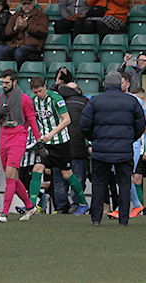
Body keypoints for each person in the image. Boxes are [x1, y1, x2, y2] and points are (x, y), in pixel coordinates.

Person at [80, 70, 145, 226]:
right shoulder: (132, 101)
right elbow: (141, 124)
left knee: (99, 183)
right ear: (120, 84)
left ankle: (96, 219)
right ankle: (123, 220)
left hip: (101, 149)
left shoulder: (96, 101)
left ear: (106, 84)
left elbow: (84, 124)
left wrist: (94, 139)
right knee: (124, 184)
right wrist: (129, 139)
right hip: (124, 149)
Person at [29, 77, 90, 215]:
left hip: (61, 142)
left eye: (40, 91)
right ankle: (31, 206)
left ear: (45, 87)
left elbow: (67, 119)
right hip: (46, 143)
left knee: (67, 174)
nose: (38, 94)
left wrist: (52, 133)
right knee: (37, 169)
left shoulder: (56, 98)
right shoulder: (34, 101)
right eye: (35, 92)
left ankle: (83, 202)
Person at [0, 70, 42, 222]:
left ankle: (4, 212)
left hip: (18, 136)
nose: (4, 85)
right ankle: (30, 206)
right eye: (3, 83)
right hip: (4, 136)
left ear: (15, 82)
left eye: (7, 82)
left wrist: (39, 142)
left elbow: (32, 120)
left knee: (10, 175)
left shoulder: (25, 100)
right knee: (12, 176)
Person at [50, 68, 90, 214]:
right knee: (78, 177)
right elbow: (89, 124)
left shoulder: (54, 101)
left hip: (58, 144)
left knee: (59, 180)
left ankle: (61, 207)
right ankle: (77, 204)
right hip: (79, 146)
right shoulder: (84, 101)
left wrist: (55, 85)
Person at [107, 73, 145, 219]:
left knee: (126, 175)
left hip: (133, 143)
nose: (119, 84)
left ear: (127, 84)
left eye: (122, 82)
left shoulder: (136, 101)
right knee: (121, 175)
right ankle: (133, 205)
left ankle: (126, 207)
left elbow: (141, 123)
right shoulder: (117, 100)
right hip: (119, 143)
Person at [2, 0, 49, 67]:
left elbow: (43, 31)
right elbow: (7, 33)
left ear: (33, 4)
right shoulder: (16, 16)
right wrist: (15, 28)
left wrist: (27, 26)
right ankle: (10, 73)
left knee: (19, 53)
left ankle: (20, 72)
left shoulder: (41, 16)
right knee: (4, 51)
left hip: (33, 45)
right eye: (24, 4)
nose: (26, 6)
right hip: (16, 44)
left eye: (28, 4)